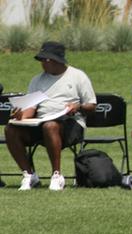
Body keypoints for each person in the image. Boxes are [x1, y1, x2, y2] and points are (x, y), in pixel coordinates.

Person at [5, 41, 96, 191]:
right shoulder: (37, 80)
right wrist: (20, 115)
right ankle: (29, 175)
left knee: (50, 126)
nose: (43, 63)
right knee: (10, 129)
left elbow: (92, 105)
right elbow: (31, 108)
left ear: (56, 60)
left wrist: (77, 106)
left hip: (70, 124)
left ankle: (57, 175)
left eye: (46, 60)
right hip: (40, 122)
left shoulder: (78, 76)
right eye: (42, 60)